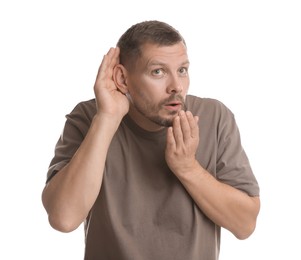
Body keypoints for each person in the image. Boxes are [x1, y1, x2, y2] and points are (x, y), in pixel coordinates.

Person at [42, 20, 260, 260]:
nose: (176, 86)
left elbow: (245, 224)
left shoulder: (214, 117)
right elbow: (64, 218)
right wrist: (107, 119)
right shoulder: (89, 118)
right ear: (123, 79)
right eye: (158, 71)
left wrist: (188, 168)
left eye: (182, 70)